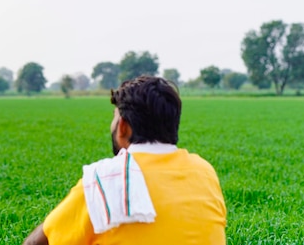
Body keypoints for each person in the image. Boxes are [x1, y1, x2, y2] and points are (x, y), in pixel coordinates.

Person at [22, 75, 226, 245]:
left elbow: (36, 244)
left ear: (123, 127)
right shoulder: (204, 171)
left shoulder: (105, 179)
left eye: (115, 117)